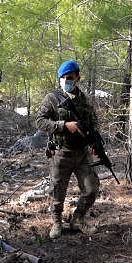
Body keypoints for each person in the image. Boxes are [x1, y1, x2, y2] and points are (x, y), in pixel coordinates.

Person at [36, 60, 100, 239]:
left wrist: (94, 143)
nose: (66, 80)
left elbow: (93, 124)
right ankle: (57, 222)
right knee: (57, 192)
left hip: (82, 154)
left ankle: (77, 219)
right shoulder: (52, 98)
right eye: (63, 78)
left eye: (70, 77)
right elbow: (40, 121)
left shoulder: (84, 100)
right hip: (60, 152)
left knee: (91, 188)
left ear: (78, 77)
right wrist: (63, 125)